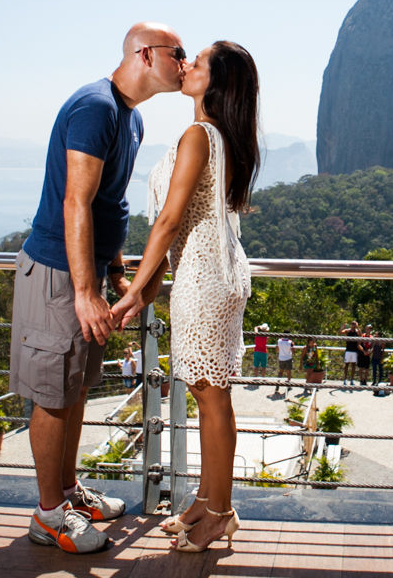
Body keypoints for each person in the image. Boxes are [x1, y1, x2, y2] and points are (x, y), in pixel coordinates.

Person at [10, 21, 185, 555]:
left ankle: (66, 494)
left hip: (85, 274)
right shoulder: (96, 107)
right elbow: (75, 202)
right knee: (54, 396)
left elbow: (109, 205)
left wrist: (112, 273)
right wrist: (86, 291)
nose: (184, 61)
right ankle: (48, 516)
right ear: (146, 54)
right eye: (177, 53)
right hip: (59, 275)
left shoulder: (128, 117)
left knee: (76, 388)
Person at [111, 40, 260, 553]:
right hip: (214, 274)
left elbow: (170, 221)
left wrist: (134, 291)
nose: (188, 66)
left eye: (198, 62)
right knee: (209, 394)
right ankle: (208, 500)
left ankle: (220, 513)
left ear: (214, 83)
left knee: (210, 396)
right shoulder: (218, 136)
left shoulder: (200, 134)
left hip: (203, 278)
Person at [340, 321, 360, 385]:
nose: (353, 325)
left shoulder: (357, 331)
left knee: (353, 365)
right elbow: (340, 332)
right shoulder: (347, 331)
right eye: (352, 324)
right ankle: (345, 379)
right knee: (346, 365)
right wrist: (343, 327)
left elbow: (361, 335)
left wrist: (358, 327)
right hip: (348, 350)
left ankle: (352, 380)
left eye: (354, 324)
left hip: (354, 350)